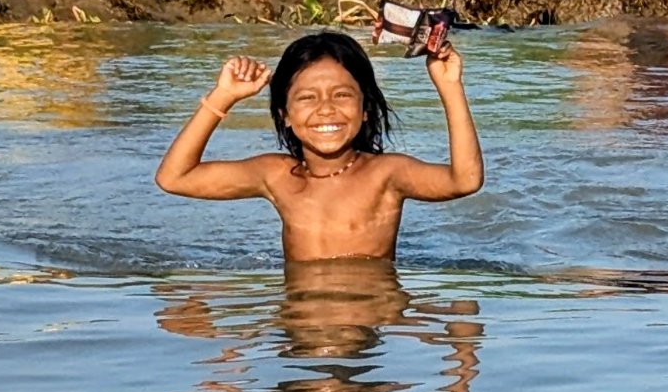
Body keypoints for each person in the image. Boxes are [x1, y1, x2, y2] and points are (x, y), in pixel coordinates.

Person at [155, 28, 484, 261]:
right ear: (285, 115)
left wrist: (449, 85)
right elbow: (174, 178)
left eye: (341, 95)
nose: (326, 108)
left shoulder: (387, 174)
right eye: (307, 98)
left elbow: (464, 180)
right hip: (297, 320)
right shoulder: (278, 176)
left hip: (369, 315)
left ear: (365, 109)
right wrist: (223, 96)